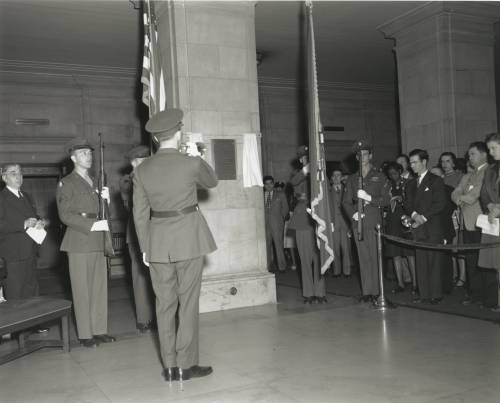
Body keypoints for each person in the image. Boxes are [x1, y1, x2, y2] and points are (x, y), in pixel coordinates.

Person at [133, 108, 217, 382]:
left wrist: (145, 247)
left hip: (157, 243)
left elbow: (139, 213)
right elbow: (212, 181)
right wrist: (196, 155)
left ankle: (169, 367)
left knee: (164, 305)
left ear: (156, 139)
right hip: (188, 240)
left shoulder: (142, 170)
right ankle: (186, 364)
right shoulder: (189, 162)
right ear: (178, 133)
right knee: (188, 303)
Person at [56, 138, 115, 347]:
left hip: (98, 240)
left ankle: (99, 330)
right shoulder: (67, 182)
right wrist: (91, 225)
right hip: (79, 240)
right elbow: (65, 214)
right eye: (83, 154)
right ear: (73, 158)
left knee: (99, 287)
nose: (88, 157)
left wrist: (106, 200)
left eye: (90, 154)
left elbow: (104, 212)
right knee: (81, 289)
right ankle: (85, 334)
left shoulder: (96, 181)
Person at [343, 140, 389, 303]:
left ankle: (378, 291)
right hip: (358, 221)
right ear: (356, 157)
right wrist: (353, 214)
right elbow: (345, 202)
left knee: (375, 256)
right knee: (362, 257)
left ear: (370, 156)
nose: (362, 157)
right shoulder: (352, 179)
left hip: (373, 220)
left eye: (365, 154)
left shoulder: (380, 176)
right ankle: (367, 290)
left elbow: (387, 200)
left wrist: (370, 198)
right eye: (359, 155)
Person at [404, 149, 447, 304]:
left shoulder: (435, 180)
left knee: (434, 261)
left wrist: (423, 217)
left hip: (432, 226)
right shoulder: (410, 184)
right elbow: (407, 203)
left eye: (415, 162)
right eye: (411, 162)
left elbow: (440, 203)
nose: (412, 165)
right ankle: (424, 294)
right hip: (418, 226)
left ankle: (435, 294)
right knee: (421, 260)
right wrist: (415, 215)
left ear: (424, 162)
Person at [121, 145, 155, 333]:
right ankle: (143, 318)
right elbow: (132, 206)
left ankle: (158, 316)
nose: (147, 164)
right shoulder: (128, 181)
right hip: (136, 234)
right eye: (142, 161)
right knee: (140, 278)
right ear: (134, 163)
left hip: (157, 231)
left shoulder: (152, 177)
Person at [0, 163, 46, 300]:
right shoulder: (2, 198)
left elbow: (32, 215)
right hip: (13, 256)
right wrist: (23, 224)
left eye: (20, 173)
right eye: (13, 173)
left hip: (30, 253)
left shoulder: (26, 196)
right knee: (15, 297)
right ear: (4, 178)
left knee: (32, 294)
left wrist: (40, 221)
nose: (18, 176)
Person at [451, 141, 488, 306]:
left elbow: (474, 195)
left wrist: (461, 198)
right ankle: (475, 293)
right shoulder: (470, 175)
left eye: (472, 154)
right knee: (472, 260)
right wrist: (459, 197)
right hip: (468, 222)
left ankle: (488, 296)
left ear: (483, 154)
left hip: (482, 222)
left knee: (484, 261)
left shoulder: (487, 172)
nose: (469, 157)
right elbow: (455, 191)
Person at [288, 145, 326, 304]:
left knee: (318, 257)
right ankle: (308, 293)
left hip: (318, 219)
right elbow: (293, 184)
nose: (306, 159)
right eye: (304, 158)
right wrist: (305, 170)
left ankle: (320, 292)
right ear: (301, 160)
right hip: (302, 220)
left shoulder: (319, 174)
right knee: (304, 258)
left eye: (308, 157)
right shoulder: (299, 175)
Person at [383, 162, 416, 294]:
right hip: (392, 220)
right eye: (390, 174)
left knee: (409, 254)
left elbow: (414, 201)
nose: (392, 176)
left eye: (395, 173)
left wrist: (402, 199)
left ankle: (415, 284)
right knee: (395, 253)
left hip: (404, 219)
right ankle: (400, 283)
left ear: (400, 171)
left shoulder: (408, 183)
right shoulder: (387, 185)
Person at [478, 133, 500, 309]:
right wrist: (491, 205)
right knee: (497, 266)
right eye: (489, 149)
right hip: (494, 223)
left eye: (494, 148)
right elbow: (484, 194)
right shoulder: (490, 170)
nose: (491, 152)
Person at [263, 175, 289, 272]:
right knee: (267, 246)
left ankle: (282, 267)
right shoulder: (261, 195)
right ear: (264, 185)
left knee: (278, 245)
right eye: (266, 184)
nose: (269, 186)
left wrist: (281, 219)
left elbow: (285, 208)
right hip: (265, 225)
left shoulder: (280, 194)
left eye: (270, 183)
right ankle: (268, 266)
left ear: (273, 184)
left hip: (277, 225)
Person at [329, 168, 351, 277]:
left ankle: (347, 271)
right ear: (332, 178)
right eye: (335, 175)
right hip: (334, 223)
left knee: (346, 248)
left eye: (339, 175)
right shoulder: (328, 191)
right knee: (335, 248)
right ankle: (336, 271)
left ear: (342, 177)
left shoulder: (347, 190)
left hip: (345, 223)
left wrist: (351, 223)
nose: (337, 177)